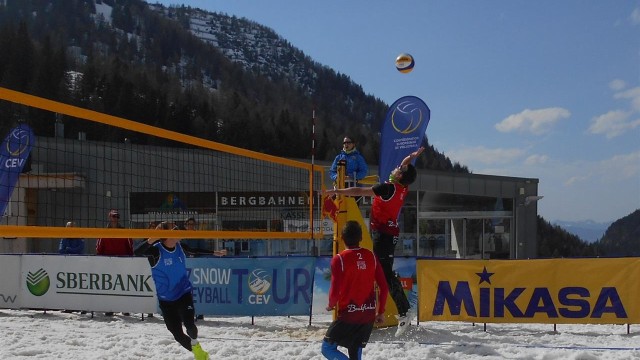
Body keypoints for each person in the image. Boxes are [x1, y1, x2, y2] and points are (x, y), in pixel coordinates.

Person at [324, 147, 424, 337]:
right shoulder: (402, 185)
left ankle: (404, 311)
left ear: (400, 176)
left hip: (384, 234)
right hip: (388, 231)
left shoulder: (388, 188)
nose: (396, 168)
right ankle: (395, 310)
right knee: (381, 271)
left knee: (384, 273)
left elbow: (358, 190)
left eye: (399, 169)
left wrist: (337, 190)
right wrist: (412, 157)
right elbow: (403, 167)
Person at [134, 221, 226, 360]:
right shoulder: (155, 251)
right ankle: (198, 351)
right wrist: (154, 236)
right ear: (166, 235)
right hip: (166, 300)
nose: (179, 230)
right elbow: (136, 252)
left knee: (190, 326)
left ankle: (196, 344)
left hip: (183, 293)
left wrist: (214, 252)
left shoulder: (180, 246)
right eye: (174, 229)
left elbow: (194, 250)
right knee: (177, 334)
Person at [321, 220, 388, 360]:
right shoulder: (371, 256)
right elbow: (384, 287)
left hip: (348, 315)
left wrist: (331, 304)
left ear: (342, 238)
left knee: (327, 348)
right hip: (368, 315)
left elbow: (335, 288)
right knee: (355, 353)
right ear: (361, 238)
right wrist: (380, 312)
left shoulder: (339, 259)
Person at [96, 209, 133, 316]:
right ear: (109, 217)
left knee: (123, 286)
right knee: (109, 286)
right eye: (113, 216)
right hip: (108, 262)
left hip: (122, 261)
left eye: (117, 216)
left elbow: (130, 247)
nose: (115, 218)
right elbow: (99, 248)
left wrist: (130, 259)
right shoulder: (104, 232)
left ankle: (125, 308)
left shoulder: (124, 231)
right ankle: (109, 308)